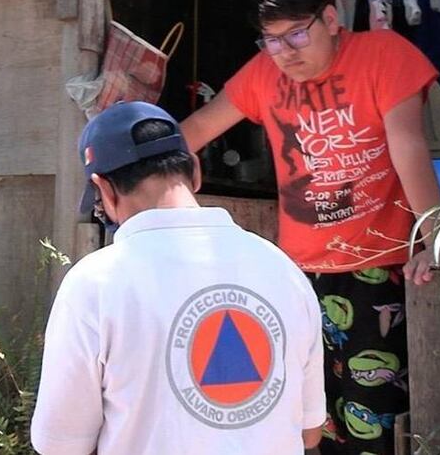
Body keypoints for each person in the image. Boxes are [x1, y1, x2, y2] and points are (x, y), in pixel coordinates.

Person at [179, 0, 440, 454]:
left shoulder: (384, 55)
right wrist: (153, 164)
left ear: (330, 19)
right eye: (271, 39)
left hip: (375, 270)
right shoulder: (263, 72)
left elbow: (409, 147)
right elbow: (190, 134)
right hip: (295, 277)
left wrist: (437, 242)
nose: (284, 53)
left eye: (297, 35)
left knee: (372, 419)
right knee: (301, 421)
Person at [31, 101, 325, 454]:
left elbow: (60, 445)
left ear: (104, 190)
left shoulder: (94, 283)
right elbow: (309, 432)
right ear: (195, 171)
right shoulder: (283, 270)